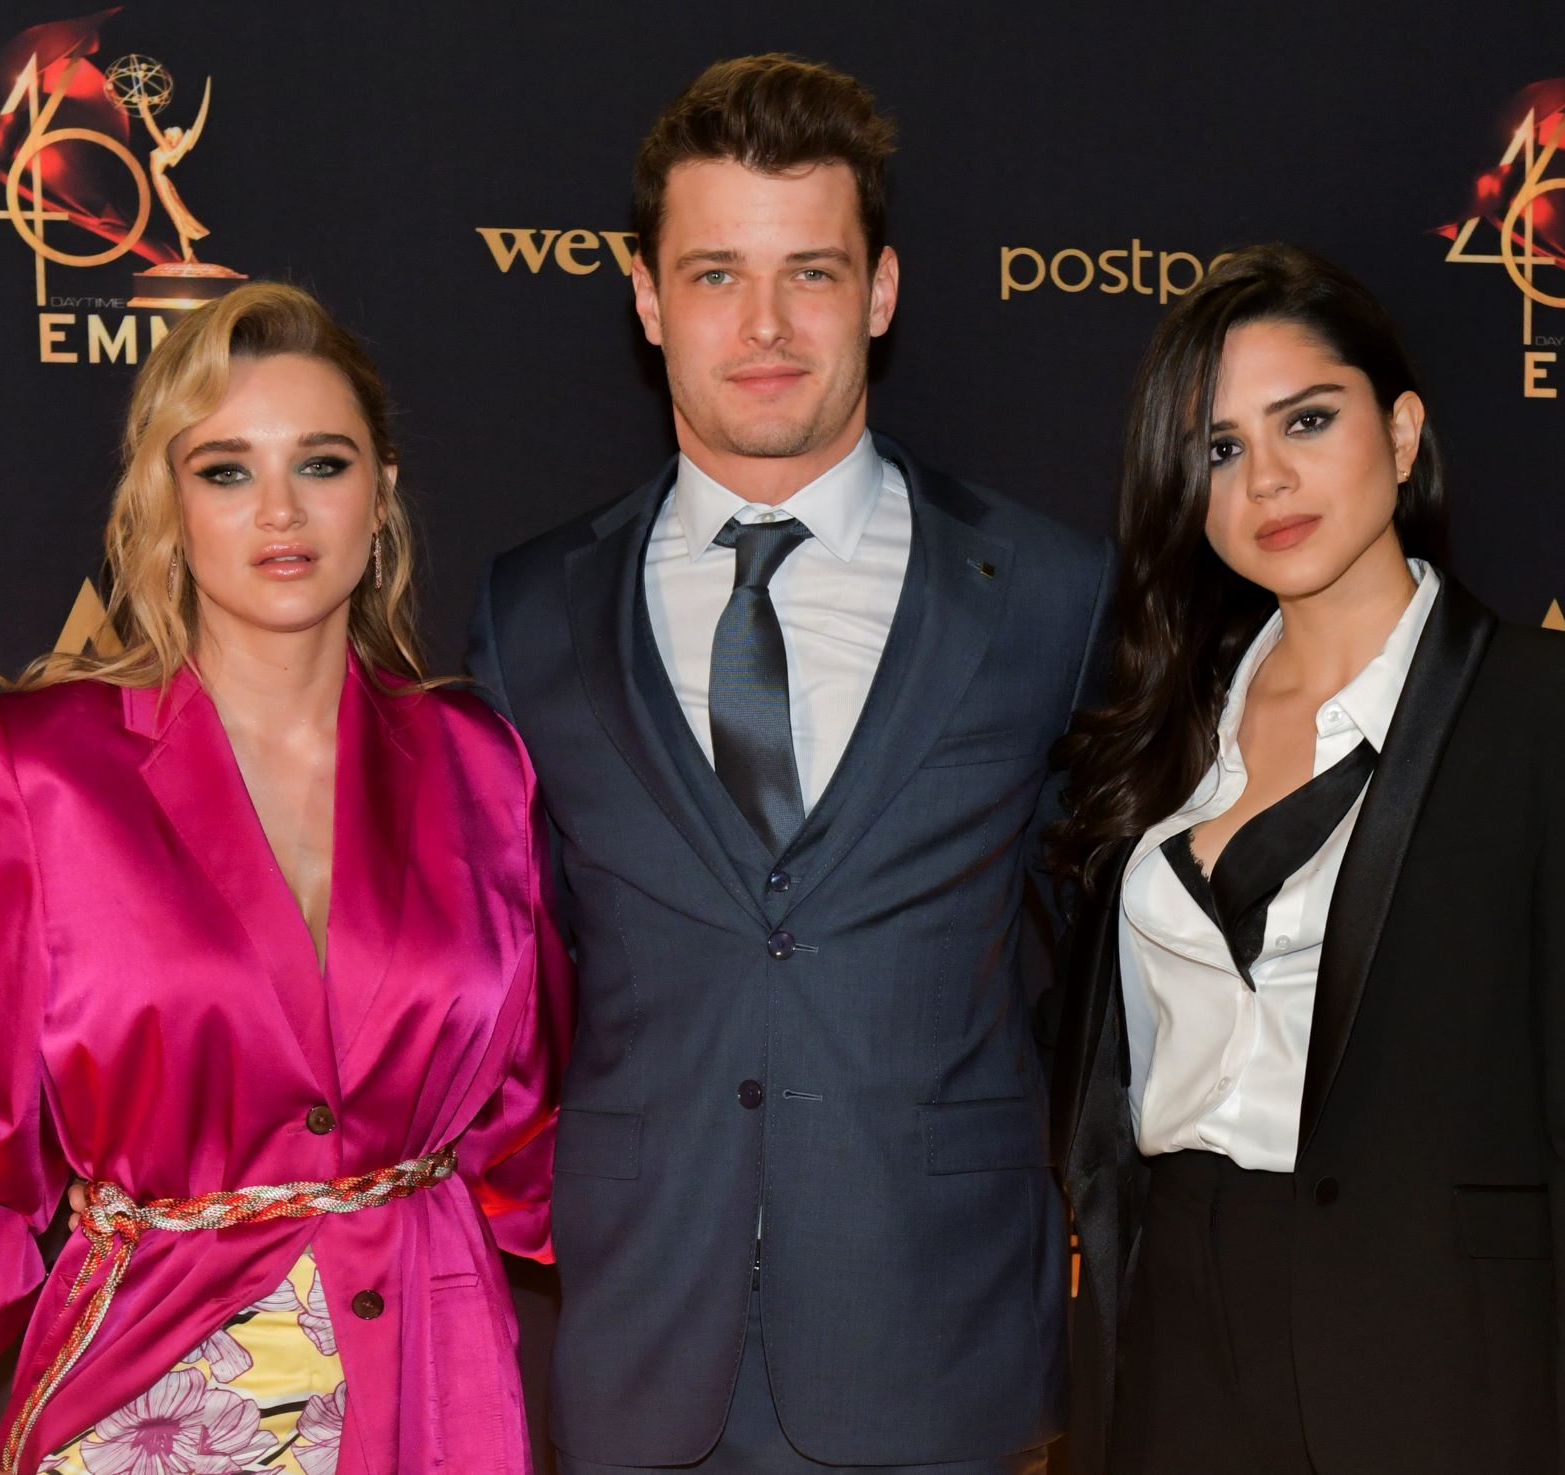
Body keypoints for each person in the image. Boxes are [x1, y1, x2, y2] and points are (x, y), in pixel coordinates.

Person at [467, 53, 1111, 1475]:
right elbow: (532, 964)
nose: (763, 324)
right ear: (646, 298)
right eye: (713, 274)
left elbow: (1095, 959)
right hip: (644, 1341)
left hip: (942, 1343)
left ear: (881, 290)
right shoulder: (527, 613)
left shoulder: (1051, 593)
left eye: (810, 272)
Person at [0, 282, 572, 1475]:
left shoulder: (476, 764)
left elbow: (533, 1125)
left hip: (430, 1383)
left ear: (382, 492)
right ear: (167, 501)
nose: (280, 509)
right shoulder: (39, 773)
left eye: (323, 463)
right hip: (155, 1396)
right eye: (228, 469)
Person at [1049, 243, 1565, 1475]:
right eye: (1219, 449)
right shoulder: (1156, 725)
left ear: (1399, 433)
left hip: (1424, 1353)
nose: (1266, 479)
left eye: (1306, 418)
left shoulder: (1552, 709)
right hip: (1171, 1340)